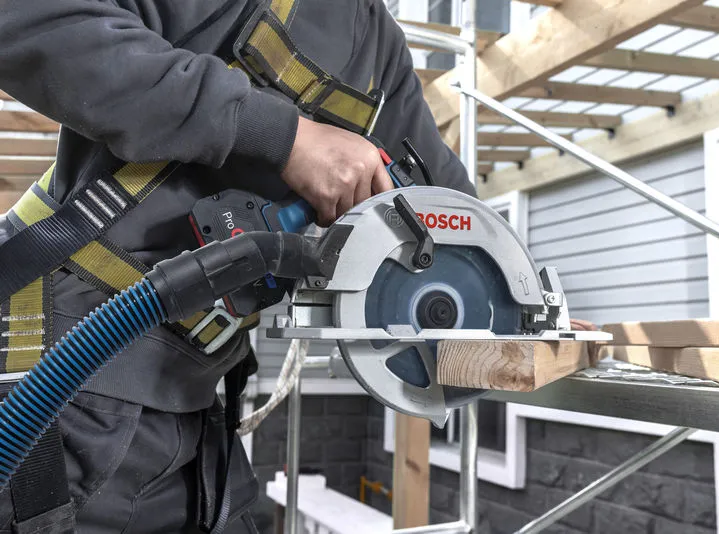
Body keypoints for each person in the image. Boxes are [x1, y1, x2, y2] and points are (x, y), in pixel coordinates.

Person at [0, 0, 474, 532]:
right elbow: (32, 21)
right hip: (60, 372)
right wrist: (287, 138)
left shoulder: (375, 38)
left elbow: (445, 200)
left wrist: (528, 300)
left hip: (195, 397)